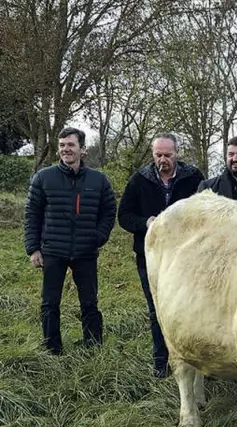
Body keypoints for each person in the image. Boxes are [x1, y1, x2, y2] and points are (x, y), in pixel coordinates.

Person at [117, 133, 204, 377]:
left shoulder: (193, 177)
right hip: (151, 257)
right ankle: (162, 364)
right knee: (157, 309)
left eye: (168, 155)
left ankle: (195, 364)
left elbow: (205, 210)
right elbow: (124, 216)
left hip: (186, 257)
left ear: (177, 154)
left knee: (188, 310)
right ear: (152, 154)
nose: (163, 160)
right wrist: (146, 222)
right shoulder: (139, 179)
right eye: (158, 155)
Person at [23, 126, 117, 354]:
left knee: (89, 303)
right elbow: (32, 214)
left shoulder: (99, 180)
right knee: (50, 303)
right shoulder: (44, 177)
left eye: (71, 145)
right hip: (53, 250)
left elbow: (109, 210)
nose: (66, 149)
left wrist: (98, 236)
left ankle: (93, 348)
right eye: (62, 145)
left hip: (86, 250)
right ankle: (52, 349)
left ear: (82, 149)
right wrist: (33, 248)